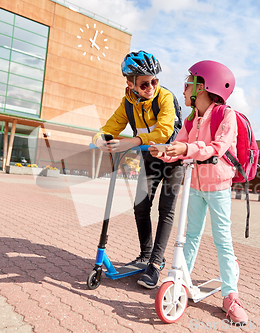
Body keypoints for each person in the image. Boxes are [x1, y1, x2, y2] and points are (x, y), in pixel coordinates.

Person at [149, 60, 249, 324]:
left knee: (222, 240)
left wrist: (186, 150)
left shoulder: (225, 116)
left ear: (205, 86)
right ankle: (181, 280)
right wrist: (165, 151)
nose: (183, 89)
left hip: (217, 186)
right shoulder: (192, 119)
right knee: (190, 235)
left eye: (188, 83)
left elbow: (216, 147)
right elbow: (180, 146)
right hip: (194, 184)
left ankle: (230, 294)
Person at [93, 50, 183, 289]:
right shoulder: (128, 103)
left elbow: (164, 131)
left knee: (166, 210)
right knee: (141, 206)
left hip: (173, 157)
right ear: (129, 83)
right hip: (150, 158)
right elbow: (111, 126)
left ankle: (155, 263)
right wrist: (100, 138)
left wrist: (133, 141)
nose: (151, 86)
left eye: (155, 80)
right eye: (144, 84)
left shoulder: (164, 97)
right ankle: (146, 254)